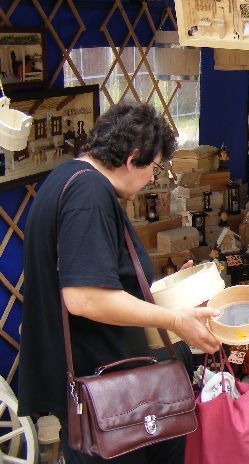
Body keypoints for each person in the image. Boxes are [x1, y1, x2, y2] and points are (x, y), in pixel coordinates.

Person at [18, 102, 220, 464]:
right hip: (109, 395)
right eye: (154, 167)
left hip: (99, 388)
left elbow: (99, 280)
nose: (152, 179)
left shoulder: (64, 179)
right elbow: (85, 297)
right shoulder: (89, 196)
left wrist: (168, 291)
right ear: (132, 158)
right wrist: (175, 320)